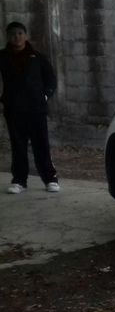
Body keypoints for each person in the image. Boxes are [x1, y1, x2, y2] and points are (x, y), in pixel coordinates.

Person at [0, 21, 59, 194]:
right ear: (7, 37)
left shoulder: (37, 57)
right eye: (12, 34)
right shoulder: (3, 57)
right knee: (18, 146)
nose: (16, 37)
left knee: (41, 145)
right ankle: (19, 181)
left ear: (25, 36)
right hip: (14, 110)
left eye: (19, 33)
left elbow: (51, 80)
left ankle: (50, 179)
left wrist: (45, 95)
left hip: (36, 109)